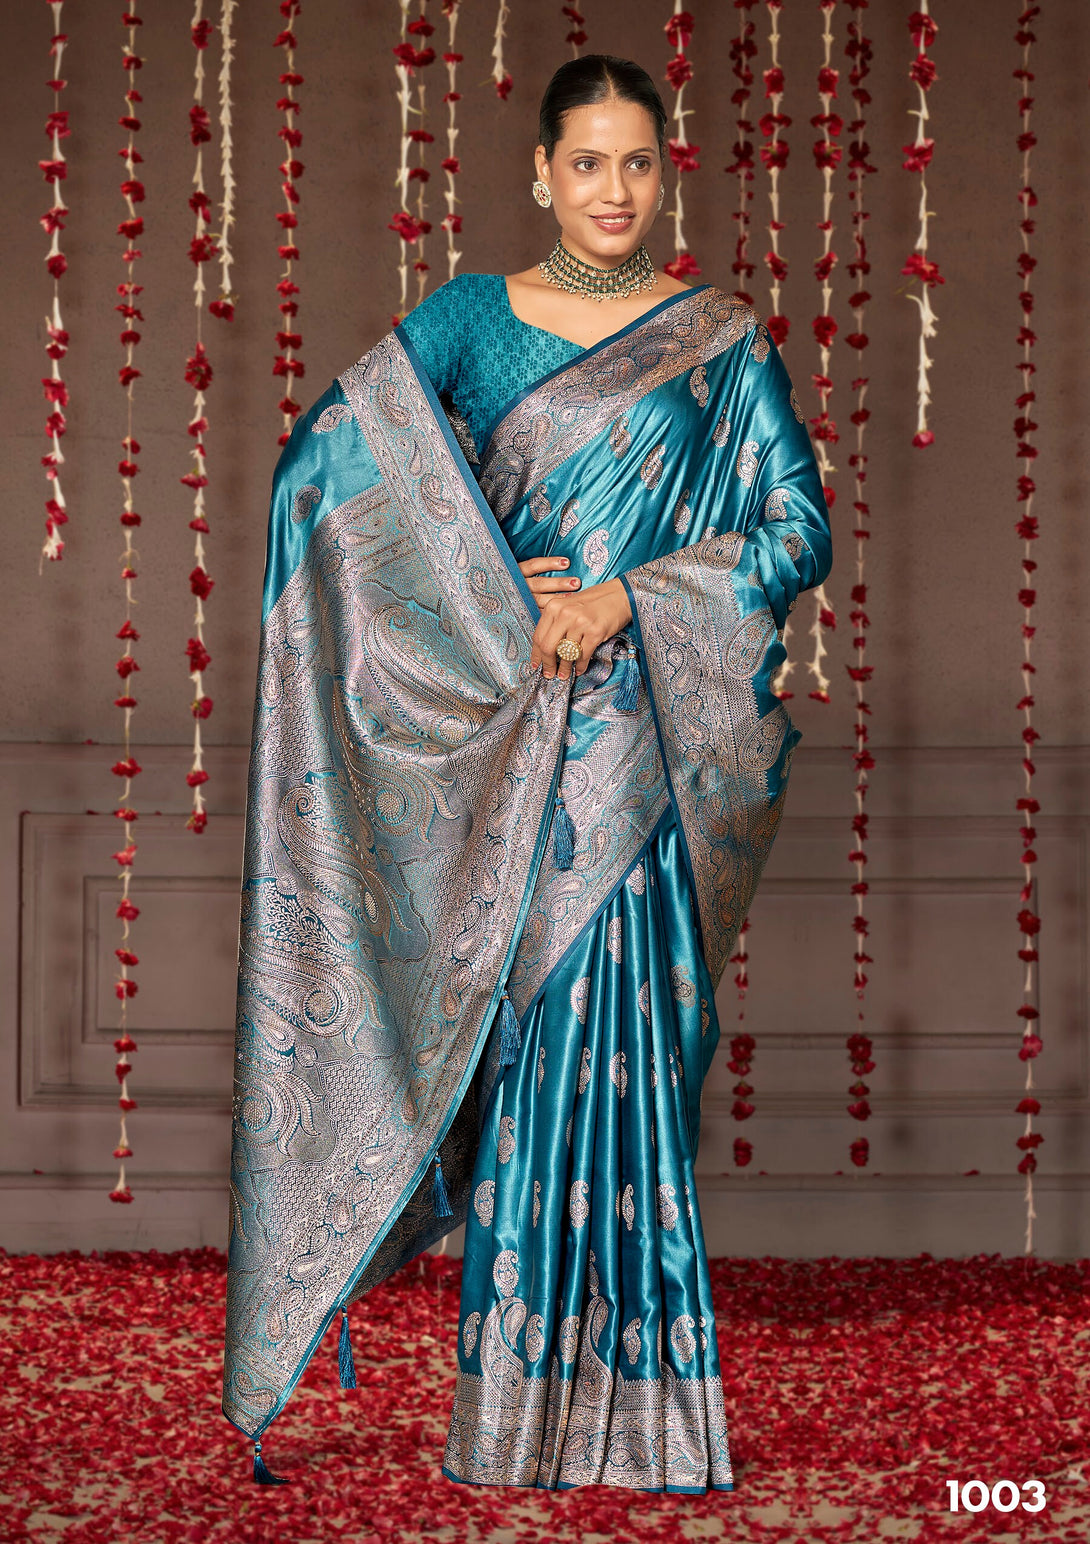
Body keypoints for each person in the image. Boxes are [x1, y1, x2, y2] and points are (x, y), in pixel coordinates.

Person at [222, 54, 831, 1495]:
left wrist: (628, 599)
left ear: (664, 172)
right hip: (521, 754)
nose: (614, 191)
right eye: (587, 163)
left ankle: (647, 1414)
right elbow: (323, 482)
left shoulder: (717, 340)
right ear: (541, 173)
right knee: (543, 1056)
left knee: (638, 1055)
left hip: (653, 751)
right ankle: (517, 1413)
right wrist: (492, 586)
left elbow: (795, 525)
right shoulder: (469, 320)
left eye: (638, 163)